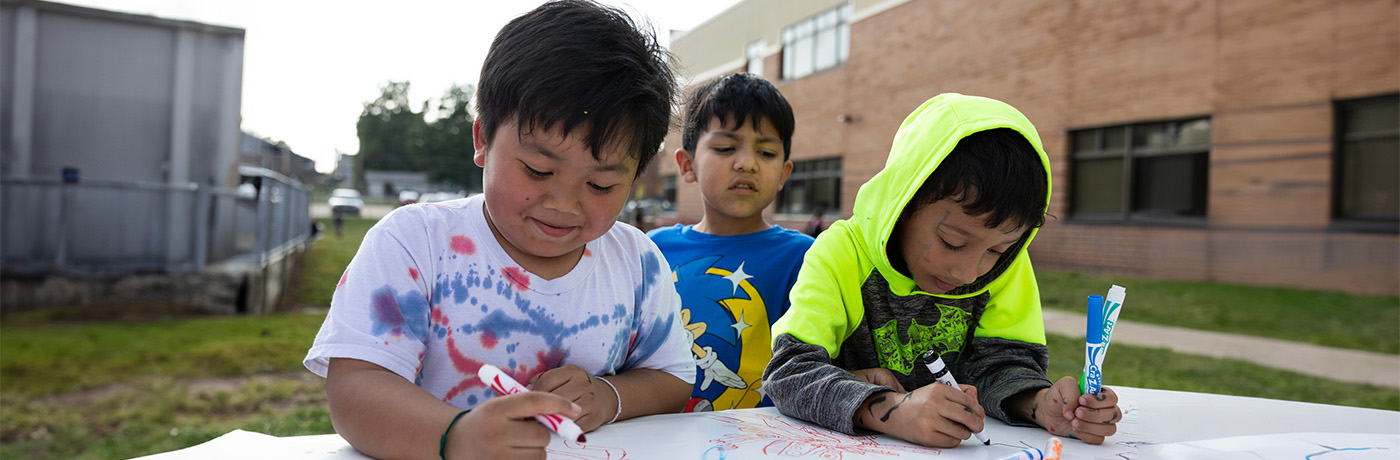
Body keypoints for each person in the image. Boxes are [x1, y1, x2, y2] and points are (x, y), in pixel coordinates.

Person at [302, 2, 695, 459]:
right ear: (483, 139)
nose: (564, 204)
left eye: (600, 184)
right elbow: (355, 388)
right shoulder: (415, 243)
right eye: (536, 170)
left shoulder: (637, 262)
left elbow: (672, 376)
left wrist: (610, 397)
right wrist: (455, 437)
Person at [762, 93, 1121, 448]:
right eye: (952, 241)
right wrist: (890, 410)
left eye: (996, 249)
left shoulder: (1005, 267)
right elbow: (789, 373)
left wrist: (1042, 404)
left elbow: (1002, 363)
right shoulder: (842, 254)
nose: (969, 273)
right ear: (902, 202)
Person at [647, 73, 814, 412]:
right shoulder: (652, 251)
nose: (746, 163)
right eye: (725, 148)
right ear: (687, 164)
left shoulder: (805, 258)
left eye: (766, 152)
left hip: (763, 441)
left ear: (784, 173)